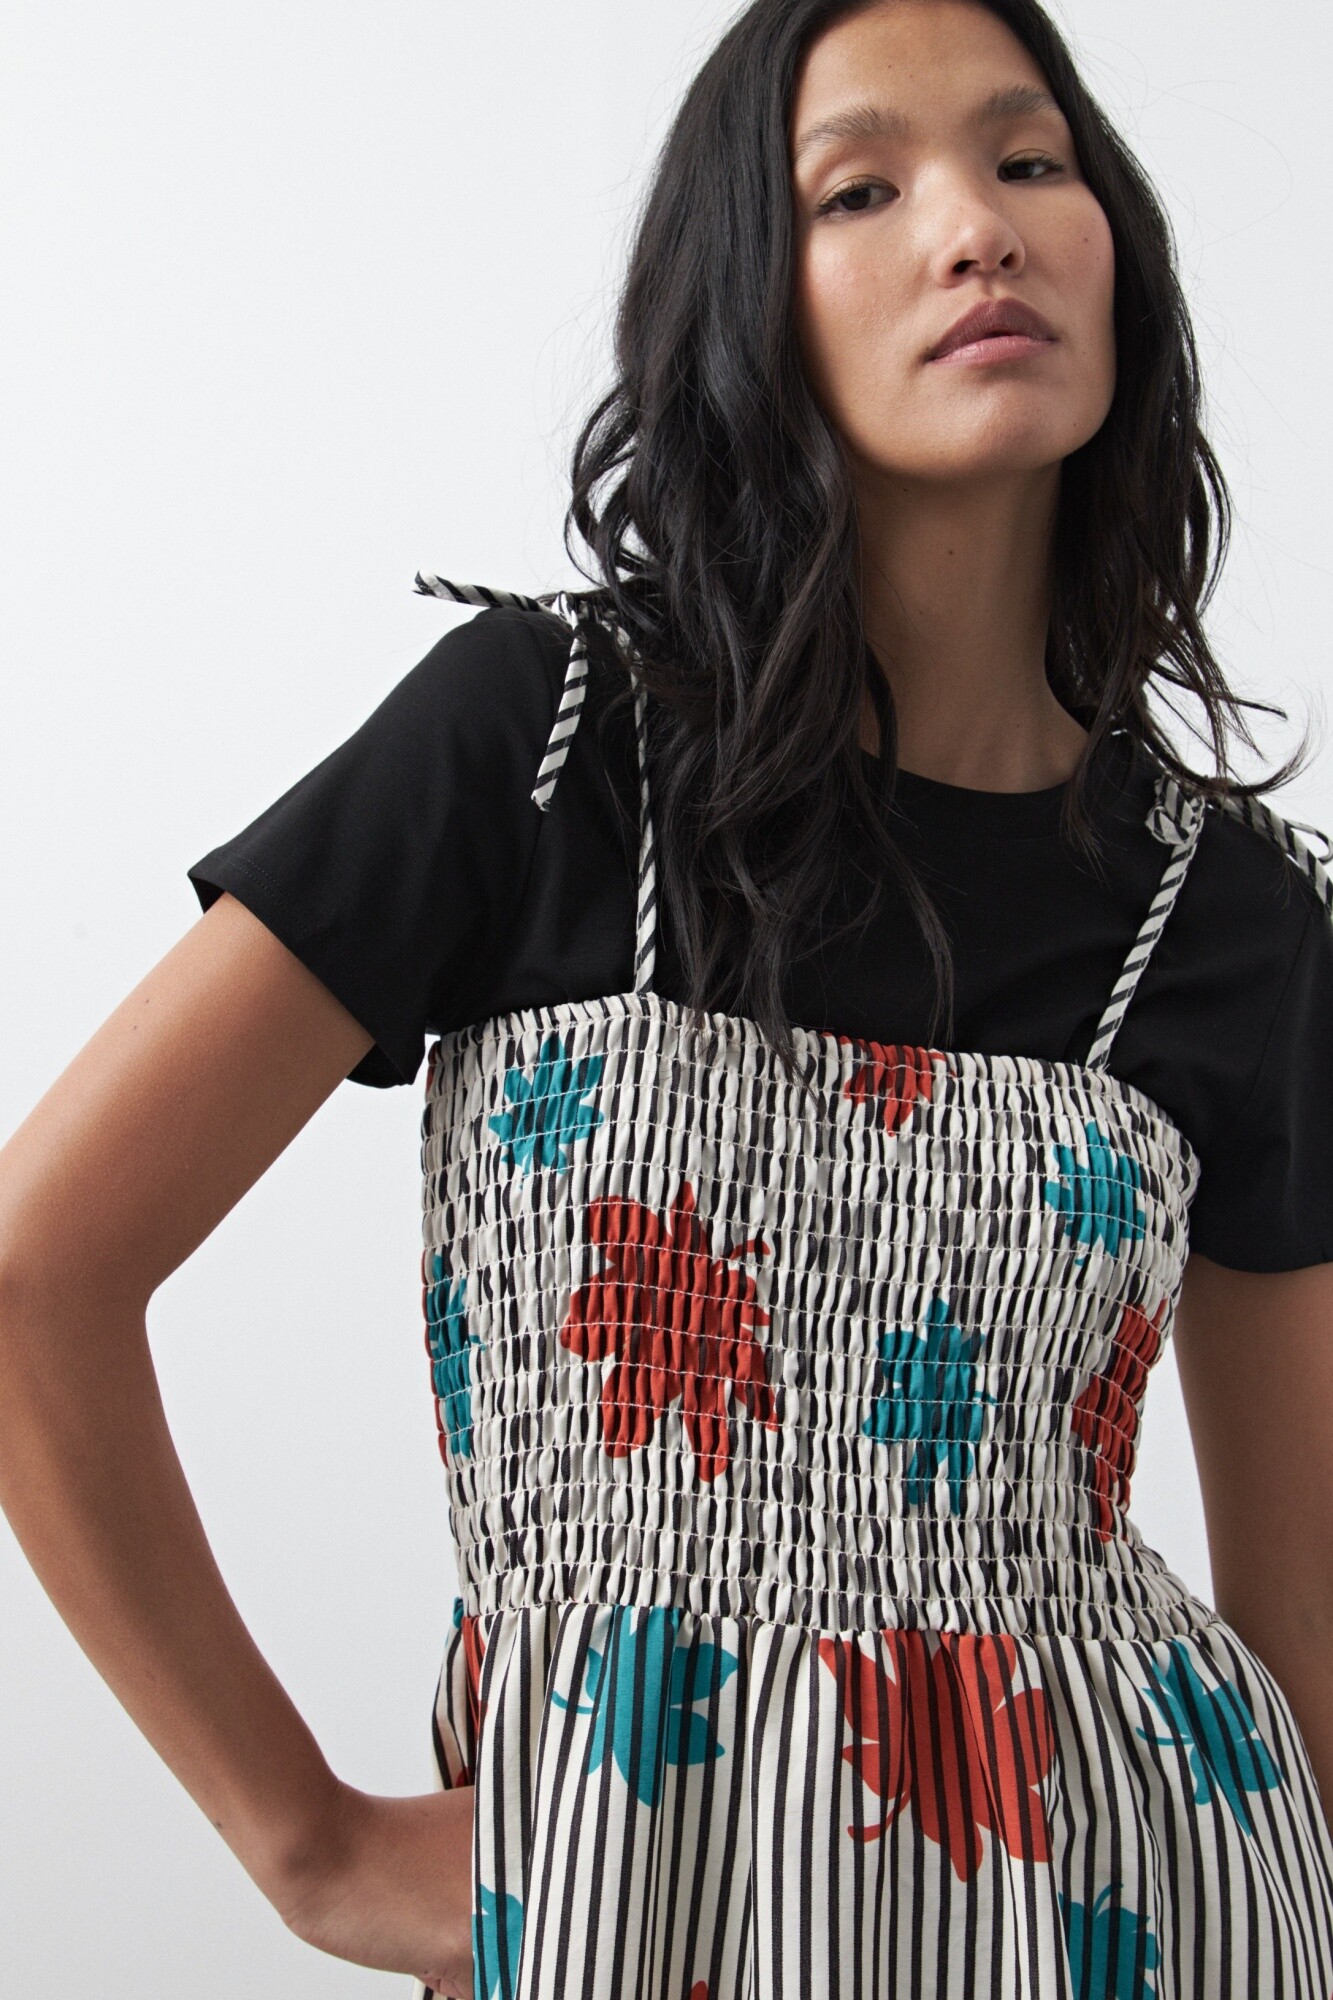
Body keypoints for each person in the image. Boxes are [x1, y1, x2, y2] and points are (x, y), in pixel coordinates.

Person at [3, 0, 1333, 1993]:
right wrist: (307, 1844)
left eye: (1027, 160)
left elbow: (1306, 1644)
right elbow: (34, 1274)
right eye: (858, 189)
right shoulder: (541, 749)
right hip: (631, 1890)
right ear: (743, 299)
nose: (975, 227)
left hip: (1137, 1904)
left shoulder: (1226, 915)